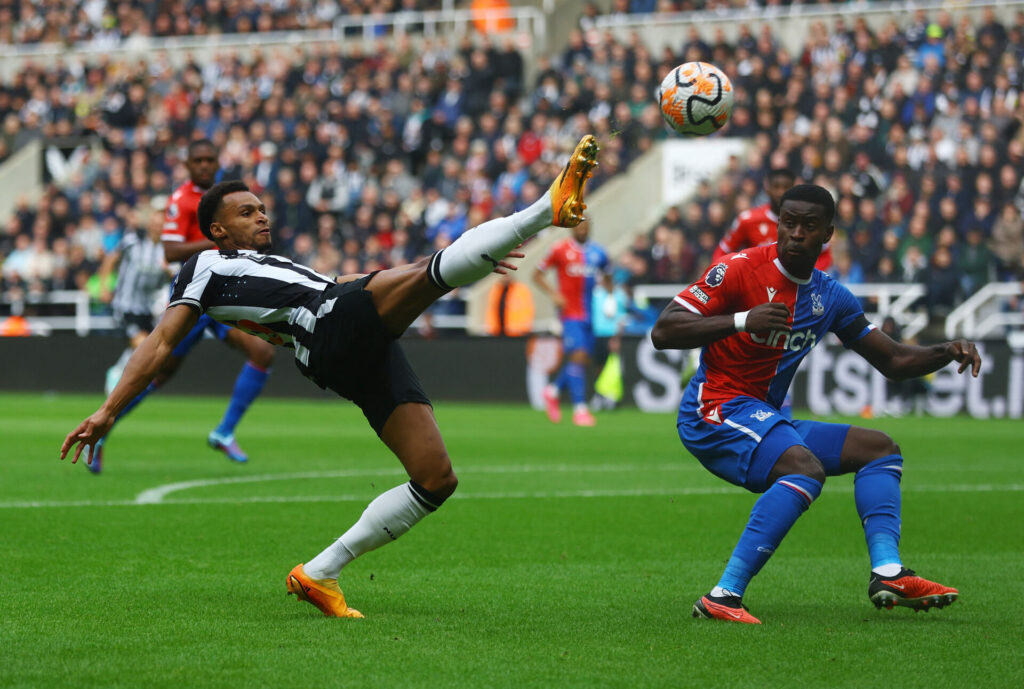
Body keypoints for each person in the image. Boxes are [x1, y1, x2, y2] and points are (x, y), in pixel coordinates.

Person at [62, 135, 601, 618]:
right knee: (435, 271)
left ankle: (320, 572)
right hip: (324, 327)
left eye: (263, 209)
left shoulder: (276, 265)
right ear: (218, 229)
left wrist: (457, 263)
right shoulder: (204, 267)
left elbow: (353, 283)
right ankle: (544, 209)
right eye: (248, 213)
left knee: (436, 478)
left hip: (340, 330)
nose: (261, 217)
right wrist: (107, 411)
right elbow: (159, 343)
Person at [650, 184, 980, 624]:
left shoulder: (832, 297)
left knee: (880, 449)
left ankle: (887, 572)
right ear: (779, 224)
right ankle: (723, 596)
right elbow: (664, 331)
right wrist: (741, 320)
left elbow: (895, 361)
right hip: (714, 409)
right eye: (789, 223)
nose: (796, 234)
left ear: (828, 234)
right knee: (806, 469)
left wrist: (946, 351)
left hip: (761, 413)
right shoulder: (738, 269)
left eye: (809, 226)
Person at [93, 139, 276, 466]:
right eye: (198, 160)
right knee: (158, 374)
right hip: (194, 296)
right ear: (188, 165)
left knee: (262, 352)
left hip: (224, 294)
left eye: (210, 159)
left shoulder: (229, 200)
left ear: (218, 162)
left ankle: (224, 431)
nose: (205, 165)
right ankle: (104, 428)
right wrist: (222, 239)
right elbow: (170, 251)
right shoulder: (181, 200)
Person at [93, 209, 173, 473]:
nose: (156, 224)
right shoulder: (131, 241)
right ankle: (118, 373)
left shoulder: (167, 253)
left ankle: (119, 369)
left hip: (147, 311)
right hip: (125, 306)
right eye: (153, 219)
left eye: (160, 222)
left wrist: (169, 275)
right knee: (141, 346)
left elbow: (170, 280)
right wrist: (104, 285)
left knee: (153, 356)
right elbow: (110, 260)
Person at [532, 220, 610, 426]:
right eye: (579, 227)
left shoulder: (598, 253)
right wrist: (554, 294)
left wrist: (609, 294)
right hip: (569, 313)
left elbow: (608, 275)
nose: (582, 230)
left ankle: (553, 390)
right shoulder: (559, 249)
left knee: (581, 360)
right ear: (573, 228)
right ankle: (580, 410)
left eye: (586, 227)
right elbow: (537, 274)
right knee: (579, 355)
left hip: (590, 315)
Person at [712, 168, 833, 271]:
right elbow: (721, 252)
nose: (781, 192)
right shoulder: (747, 219)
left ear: (794, 188)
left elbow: (825, 256)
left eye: (786, 187)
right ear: (767, 189)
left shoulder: (806, 221)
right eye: (776, 187)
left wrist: (806, 274)